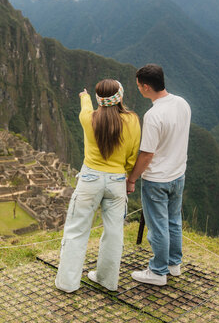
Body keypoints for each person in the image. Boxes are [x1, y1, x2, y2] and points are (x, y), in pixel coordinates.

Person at [55, 79, 141, 293]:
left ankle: (67, 283)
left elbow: (86, 107)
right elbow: (132, 154)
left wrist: (84, 96)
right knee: (114, 233)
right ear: (120, 97)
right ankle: (107, 280)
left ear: (98, 100)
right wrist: (129, 178)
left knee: (76, 231)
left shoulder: (88, 119)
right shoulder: (132, 121)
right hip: (117, 181)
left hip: (90, 180)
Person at [127, 64, 191, 286]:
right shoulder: (182, 104)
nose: (138, 89)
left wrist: (132, 178)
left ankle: (158, 271)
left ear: (146, 87)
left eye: (138, 86)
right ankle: (174, 264)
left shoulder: (153, 115)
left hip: (157, 180)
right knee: (174, 220)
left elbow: (146, 154)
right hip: (178, 175)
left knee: (158, 227)